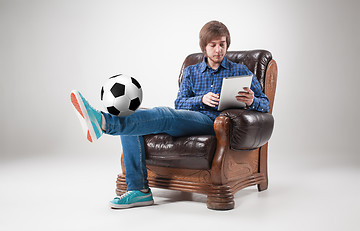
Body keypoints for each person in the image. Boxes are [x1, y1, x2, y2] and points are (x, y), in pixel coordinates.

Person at [70, 20, 270, 209]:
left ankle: (104, 122)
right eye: (213, 45)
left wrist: (252, 100)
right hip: (189, 117)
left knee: (165, 115)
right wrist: (201, 99)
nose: (218, 50)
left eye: (222, 44)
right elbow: (179, 102)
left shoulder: (239, 71)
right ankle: (138, 190)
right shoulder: (192, 72)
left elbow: (265, 104)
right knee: (133, 116)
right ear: (204, 47)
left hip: (214, 123)